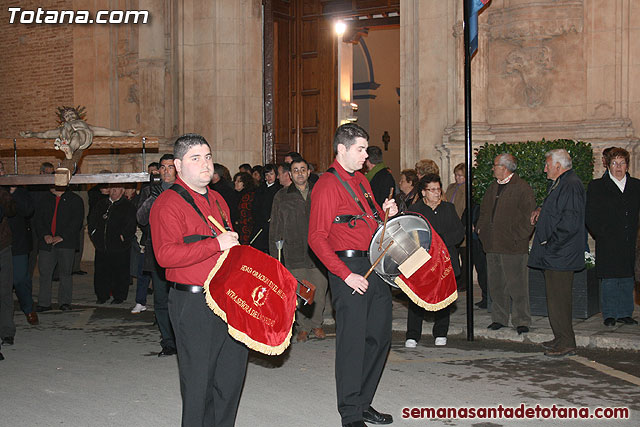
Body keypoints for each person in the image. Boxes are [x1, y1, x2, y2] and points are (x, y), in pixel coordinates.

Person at [149, 133, 246, 426]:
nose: (205, 164)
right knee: (198, 384)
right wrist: (215, 244)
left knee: (230, 380)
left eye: (207, 157)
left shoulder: (218, 200)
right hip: (193, 302)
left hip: (226, 298)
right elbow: (165, 256)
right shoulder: (167, 204)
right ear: (178, 165)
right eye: (195, 158)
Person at [308, 123, 398, 427]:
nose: (366, 155)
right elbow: (317, 239)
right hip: (348, 270)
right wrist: (345, 276)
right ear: (342, 149)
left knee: (379, 337)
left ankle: (363, 402)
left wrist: (386, 213)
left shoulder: (361, 179)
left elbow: (370, 225)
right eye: (360, 149)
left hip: (374, 266)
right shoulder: (326, 185)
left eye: (366, 149)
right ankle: (350, 413)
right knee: (352, 342)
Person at [529, 149, 586, 357]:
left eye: (547, 165)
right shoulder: (562, 183)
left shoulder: (570, 185)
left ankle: (567, 342)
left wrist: (549, 243)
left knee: (560, 299)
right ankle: (560, 337)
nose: (545, 170)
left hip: (561, 254)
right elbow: (556, 210)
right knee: (554, 299)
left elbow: (569, 223)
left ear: (558, 166)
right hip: (556, 254)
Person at [270, 158, 328, 342]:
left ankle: (317, 324)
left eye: (303, 169)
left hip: (318, 251)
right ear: (290, 174)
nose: (300, 173)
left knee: (319, 288)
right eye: (296, 170)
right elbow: (276, 226)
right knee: (301, 290)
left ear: (309, 172)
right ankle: (303, 326)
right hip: (293, 250)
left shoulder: (319, 192)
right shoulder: (282, 195)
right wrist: (275, 255)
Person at [477, 154, 536, 334]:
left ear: (504, 167)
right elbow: (484, 211)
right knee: (496, 285)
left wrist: (517, 236)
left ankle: (521, 320)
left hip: (513, 247)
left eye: (495, 165)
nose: (493, 168)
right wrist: (481, 228)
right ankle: (499, 318)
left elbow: (529, 218)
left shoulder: (522, 188)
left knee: (517, 286)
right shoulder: (493, 187)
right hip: (493, 244)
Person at [405, 174, 464, 348]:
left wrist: (441, 242)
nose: (436, 193)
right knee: (416, 297)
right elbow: (410, 235)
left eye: (438, 189)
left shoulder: (448, 208)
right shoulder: (415, 211)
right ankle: (413, 335)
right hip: (422, 262)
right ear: (423, 192)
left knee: (443, 295)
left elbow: (459, 232)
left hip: (445, 260)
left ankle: (440, 332)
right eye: (432, 190)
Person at [586, 147, 640, 326]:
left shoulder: (636, 186)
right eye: (615, 163)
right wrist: (602, 234)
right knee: (610, 278)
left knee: (627, 277)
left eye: (622, 163)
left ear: (627, 165)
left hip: (629, 240)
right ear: (608, 165)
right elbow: (591, 216)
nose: (619, 167)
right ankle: (609, 314)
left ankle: (625, 312)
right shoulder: (597, 186)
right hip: (608, 240)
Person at [136, 154, 178, 356]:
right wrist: (153, 197)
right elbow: (141, 219)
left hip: (180, 252)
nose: (166, 171)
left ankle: (182, 338)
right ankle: (168, 341)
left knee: (179, 299)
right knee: (161, 299)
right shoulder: (149, 192)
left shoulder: (184, 189)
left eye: (170, 167)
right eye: (163, 167)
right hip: (157, 251)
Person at [20, 106, 137, 161]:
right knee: (66, 130)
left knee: (76, 134)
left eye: (72, 114)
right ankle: (67, 147)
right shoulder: (64, 126)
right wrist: (32, 134)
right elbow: (45, 134)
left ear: (77, 115)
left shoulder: (85, 125)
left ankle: (64, 144)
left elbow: (110, 132)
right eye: (67, 116)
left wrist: (126, 133)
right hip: (70, 138)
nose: (70, 117)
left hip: (83, 137)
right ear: (63, 119)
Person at [34, 184, 84, 312]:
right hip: (47, 242)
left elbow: (76, 221)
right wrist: (45, 235)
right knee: (45, 273)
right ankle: (44, 303)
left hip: (66, 242)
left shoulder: (75, 199)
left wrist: (62, 236)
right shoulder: (44, 199)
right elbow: (38, 219)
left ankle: (65, 302)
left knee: (65, 273)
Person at [0, 161, 38, 327]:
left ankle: (28, 307)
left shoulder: (18, 190)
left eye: (0, 169)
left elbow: (28, 211)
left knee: (20, 278)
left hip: (17, 244)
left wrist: (14, 192)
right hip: (2, 243)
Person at [88, 184, 137, 304]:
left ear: (122, 191)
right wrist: (94, 234)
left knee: (119, 273)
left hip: (119, 248)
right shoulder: (101, 204)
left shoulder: (128, 206)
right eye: (112, 189)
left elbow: (131, 225)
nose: (114, 192)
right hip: (102, 246)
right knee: (101, 272)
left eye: (117, 189)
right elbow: (92, 220)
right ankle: (102, 295)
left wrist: (123, 237)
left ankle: (119, 296)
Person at [444, 162, 467, 292]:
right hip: (450, 224)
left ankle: (463, 282)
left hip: (461, 225)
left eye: (460, 176)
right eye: (456, 175)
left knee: (464, 257)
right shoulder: (451, 188)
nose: (458, 178)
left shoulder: (466, 189)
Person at [251, 163, 281, 253]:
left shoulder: (279, 189)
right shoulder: (260, 189)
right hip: (260, 223)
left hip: (272, 224)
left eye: (271, 174)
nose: (269, 177)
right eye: (266, 175)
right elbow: (255, 207)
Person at [0, 181, 16, 347]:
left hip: (2, 247)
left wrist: (8, 192)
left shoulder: (2, 193)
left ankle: (6, 331)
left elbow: (11, 210)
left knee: (5, 292)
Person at [232, 171, 256, 245]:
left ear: (245, 183)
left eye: (239, 181)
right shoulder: (234, 195)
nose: (236, 183)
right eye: (235, 181)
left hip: (246, 229)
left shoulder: (249, 196)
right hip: (237, 228)